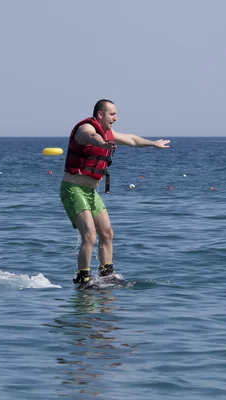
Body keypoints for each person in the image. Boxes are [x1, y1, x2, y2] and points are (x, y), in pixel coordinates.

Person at [60, 99, 170, 288]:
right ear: (100, 114)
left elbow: (132, 139)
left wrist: (153, 143)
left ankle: (106, 274)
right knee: (89, 235)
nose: (116, 118)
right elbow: (90, 137)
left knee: (107, 233)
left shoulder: (109, 133)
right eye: (112, 114)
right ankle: (83, 278)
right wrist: (102, 144)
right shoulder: (84, 129)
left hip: (90, 191)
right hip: (73, 188)